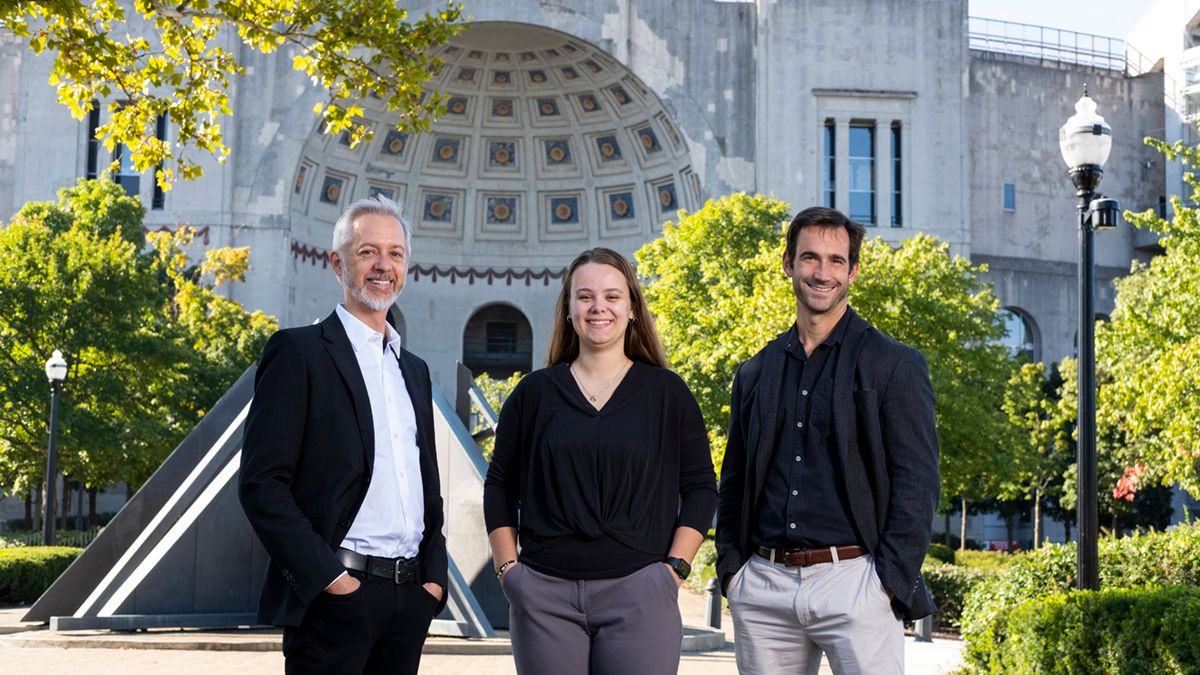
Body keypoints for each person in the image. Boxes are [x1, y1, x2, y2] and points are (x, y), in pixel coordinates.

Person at [715, 206, 940, 674]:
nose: (822, 272)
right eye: (810, 258)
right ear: (788, 264)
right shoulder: (755, 371)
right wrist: (733, 570)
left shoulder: (894, 364)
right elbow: (734, 477)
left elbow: (917, 482)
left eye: (836, 261)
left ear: (853, 271)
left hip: (857, 584)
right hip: (763, 586)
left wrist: (888, 583)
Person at [483, 247, 717, 675]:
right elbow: (500, 484)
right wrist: (509, 571)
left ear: (632, 308)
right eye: (585, 296)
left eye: (612, 296)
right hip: (543, 597)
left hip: (642, 594)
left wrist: (674, 572)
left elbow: (701, 486)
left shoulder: (667, 393)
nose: (598, 307)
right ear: (569, 310)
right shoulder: (534, 394)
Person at [239, 195, 447, 675]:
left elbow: (427, 487)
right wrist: (330, 580)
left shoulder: (413, 369)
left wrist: (432, 583)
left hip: (409, 602)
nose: (383, 265)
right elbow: (261, 485)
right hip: (336, 598)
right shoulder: (298, 352)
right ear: (337, 263)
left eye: (395, 253)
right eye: (367, 251)